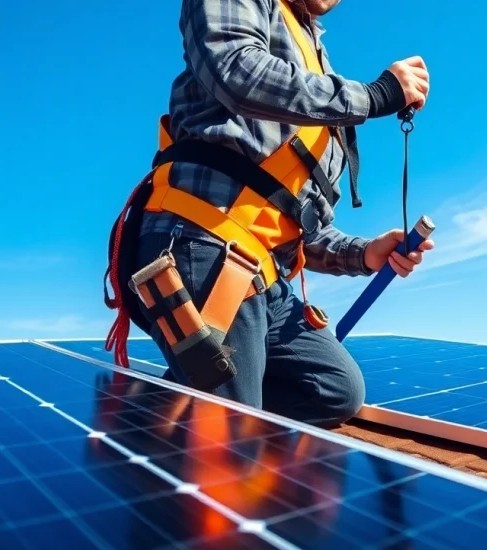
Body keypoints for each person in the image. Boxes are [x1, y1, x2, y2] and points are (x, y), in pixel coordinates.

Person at [115, 0, 434, 429]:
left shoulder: (315, 61)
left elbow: (291, 219)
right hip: (203, 238)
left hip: (264, 270)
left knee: (335, 389)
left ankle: (173, 416)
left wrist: (365, 254)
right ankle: (179, 438)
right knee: (223, 442)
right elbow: (236, 70)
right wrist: (375, 96)